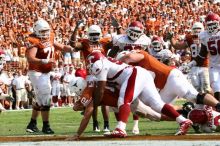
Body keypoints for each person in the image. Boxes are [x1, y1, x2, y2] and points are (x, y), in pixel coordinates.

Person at [86, 51, 193, 138]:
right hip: (141, 74)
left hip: (134, 74)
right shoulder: (106, 62)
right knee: (157, 104)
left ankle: (120, 128)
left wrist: (93, 105)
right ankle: (183, 121)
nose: (89, 66)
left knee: (123, 100)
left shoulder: (101, 66)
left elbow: (100, 91)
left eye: (90, 62)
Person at [118, 49, 220, 114]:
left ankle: (218, 106)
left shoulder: (141, 54)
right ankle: (188, 112)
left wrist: (120, 63)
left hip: (171, 77)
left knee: (193, 96)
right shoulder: (133, 70)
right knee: (158, 109)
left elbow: (129, 57)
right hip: (164, 86)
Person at [25, 19, 74, 134]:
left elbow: (61, 46)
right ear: (36, 31)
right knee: (46, 96)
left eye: (47, 31)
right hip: (36, 72)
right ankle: (46, 126)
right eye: (42, 31)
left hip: (46, 72)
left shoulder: (50, 37)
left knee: (40, 98)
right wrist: (44, 60)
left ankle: (32, 124)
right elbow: (30, 58)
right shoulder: (33, 40)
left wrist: (72, 49)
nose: (45, 34)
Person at [69, 23, 112, 132]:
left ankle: (106, 124)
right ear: (88, 34)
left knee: (104, 101)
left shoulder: (104, 42)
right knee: (92, 101)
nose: (94, 36)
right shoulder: (85, 43)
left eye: (96, 34)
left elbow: (118, 42)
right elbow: (73, 44)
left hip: (103, 74)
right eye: (92, 34)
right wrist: (75, 29)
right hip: (90, 75)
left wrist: (117, 28)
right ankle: (95, 123)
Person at [167, 21, 211, 93]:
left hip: (205, 65)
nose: (197, 30)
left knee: (207, 88)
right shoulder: (190, 38)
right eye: (195, 29)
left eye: (199, 28)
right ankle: (200, 104)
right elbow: (178, 46)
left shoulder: (205, 37)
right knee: (196, 89)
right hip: (194, 66)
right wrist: (171, 39)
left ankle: (215, 103)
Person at [192, 12, 220, 101]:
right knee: (217, 90)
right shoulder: (204, 35)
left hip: (214, 66)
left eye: (213, 24)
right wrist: (192, 63)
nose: (211, 27)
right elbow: (202, 53)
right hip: (214, 67)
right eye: (209, 25)